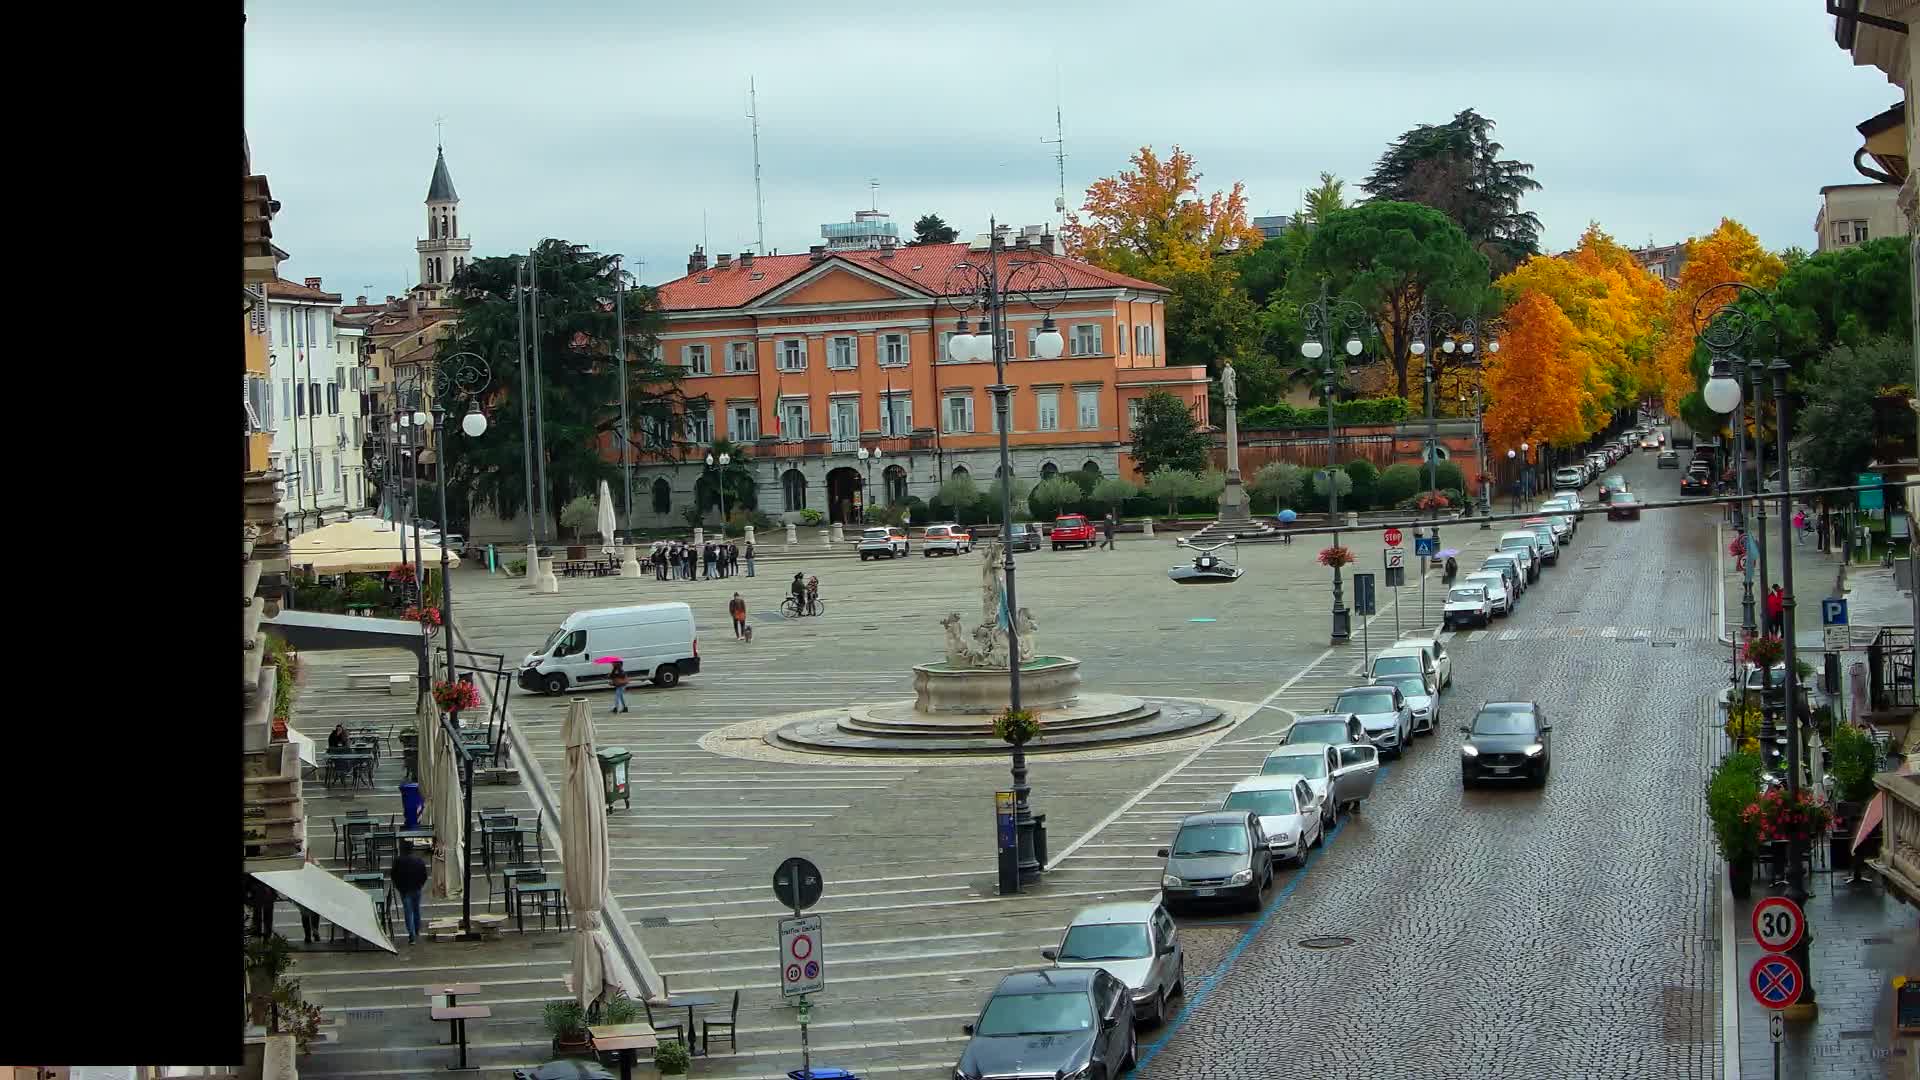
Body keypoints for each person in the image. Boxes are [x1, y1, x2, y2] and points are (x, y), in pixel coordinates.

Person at [389, 841, 430, 945]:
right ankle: (417, 929)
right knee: (416, 910)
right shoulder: (419, 861)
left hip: (404, 889)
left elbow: (393, 875)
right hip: (416, 888)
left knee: (408, 912)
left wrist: (398, 887)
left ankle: (411, 935)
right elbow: (424, 875)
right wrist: (420, 885)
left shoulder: (398, 861)